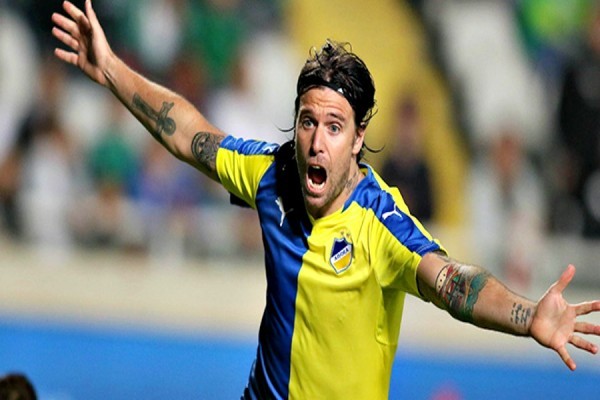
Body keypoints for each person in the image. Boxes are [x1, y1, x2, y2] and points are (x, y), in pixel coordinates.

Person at [51, 1, 600, 398]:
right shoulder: (272, 173)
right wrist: (111, 69)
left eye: (334, 126)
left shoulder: (380, 221)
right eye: (308, 121)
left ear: (358, 138)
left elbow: (452, 282)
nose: (316, 140)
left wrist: (526, 315)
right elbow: (190, 136)